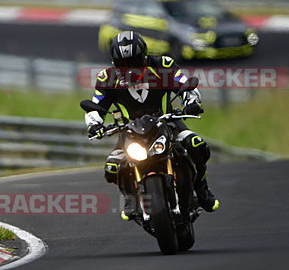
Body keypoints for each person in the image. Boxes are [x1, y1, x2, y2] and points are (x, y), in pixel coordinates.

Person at [84, 31, 220, 220]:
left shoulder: (163, 66)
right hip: (129, 131)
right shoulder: (107, 79)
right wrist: (95, 124)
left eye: (135, 61)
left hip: (168, 122)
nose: (130, 69)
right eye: (124, 64)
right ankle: (131, 199)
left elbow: (186, 84)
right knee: (112, 167)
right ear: (115, 63)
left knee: (196, 145)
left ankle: (202, 188)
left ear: (144, 56)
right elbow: (95, 106)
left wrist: (191, 101)